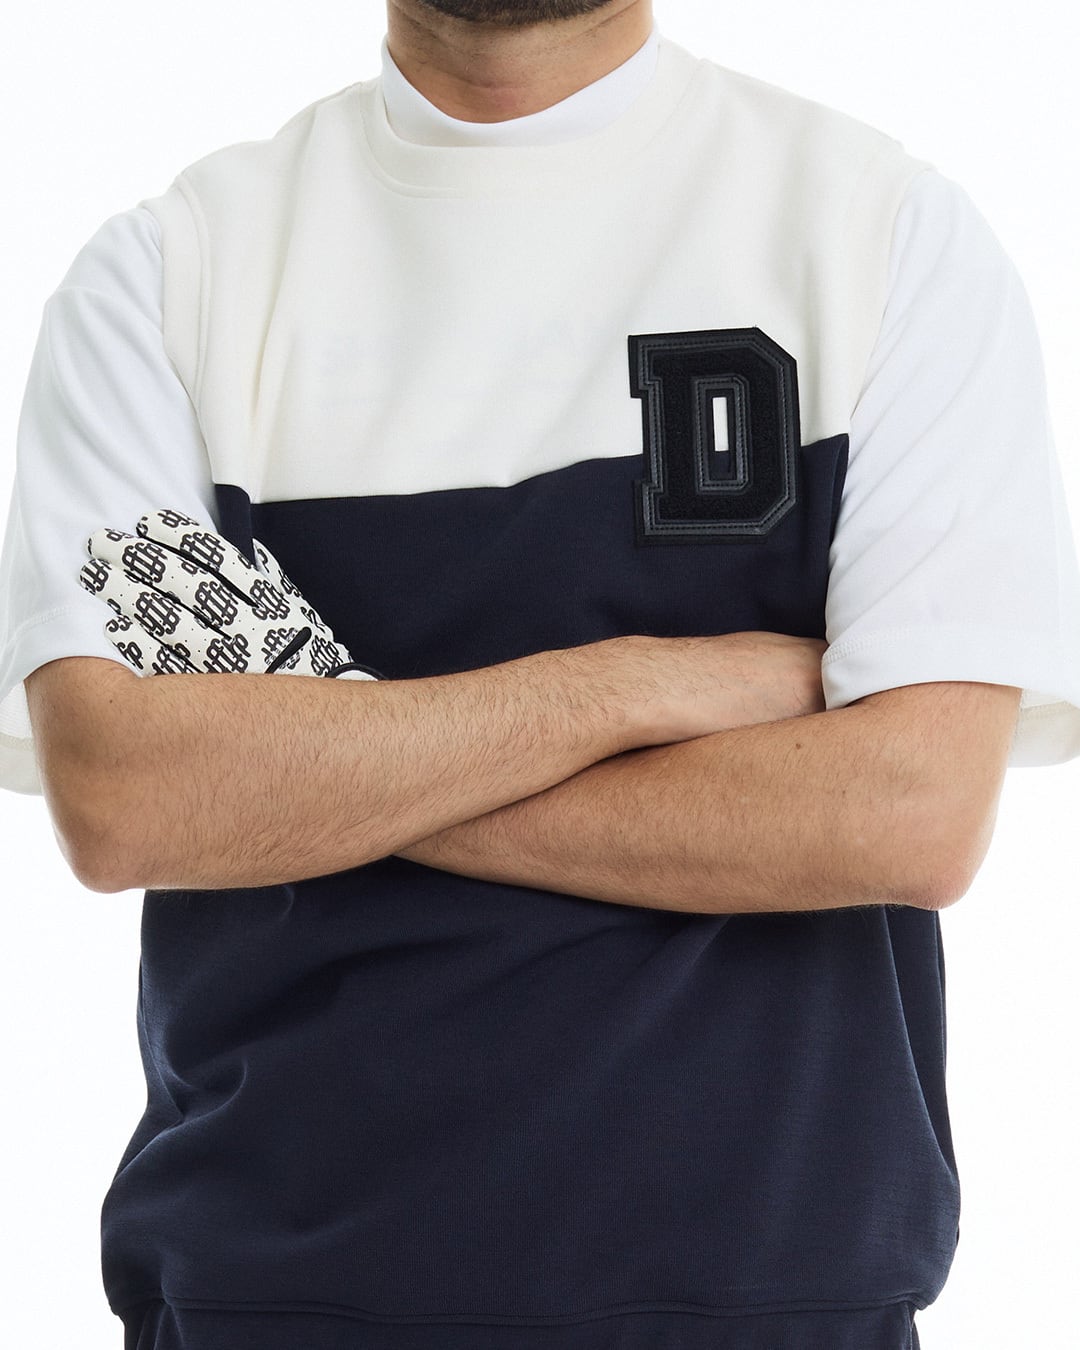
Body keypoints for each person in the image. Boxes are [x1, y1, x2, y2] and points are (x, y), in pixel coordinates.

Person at [1, 1, 1078, 1346]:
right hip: (264, 1299)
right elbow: (129, 797)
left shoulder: (884, 237)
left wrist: (320, 769)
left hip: (775, 1305)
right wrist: (627, 689)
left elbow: (909, 812)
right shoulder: (167, 281)